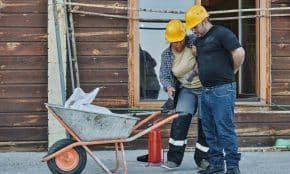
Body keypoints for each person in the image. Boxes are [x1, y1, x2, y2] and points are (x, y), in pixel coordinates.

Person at [185, 5, 245, 174]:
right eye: (191, 28)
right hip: (206, 91)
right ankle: (216, 165)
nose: (193, 30)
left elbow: (239, 53)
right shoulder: (199, 40)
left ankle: (233, 167)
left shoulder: (221, 33)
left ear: (204, 20)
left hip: (223, 90)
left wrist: (230, 72)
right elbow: (203, 61)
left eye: (195, 26)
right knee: (209, 130)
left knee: (225, 129)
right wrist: (194, 72)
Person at [159, 19, 209, 170]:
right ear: (169, 40)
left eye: (180, 40)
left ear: (184, 37)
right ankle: (174, 159)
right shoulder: (167, 54)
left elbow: (210, 51)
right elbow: (165, 75)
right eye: (174, 42)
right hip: (187, 89)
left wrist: (199, 51)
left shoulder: (195, 41)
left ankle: (203, 159)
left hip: (205, 88)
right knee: (180, 119)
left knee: (205, 122)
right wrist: (168, 87)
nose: (178, 44)